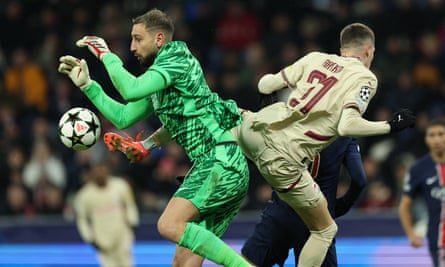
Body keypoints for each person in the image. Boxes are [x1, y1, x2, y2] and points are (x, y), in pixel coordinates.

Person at [96, 22, 416, 267]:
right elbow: (347, 126)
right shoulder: (365, 78)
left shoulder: (317, 58)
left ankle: (202, 173)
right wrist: (390, 126)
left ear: (342, 46)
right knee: (325, 230)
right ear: (369, 52)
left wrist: (149, 143)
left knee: (219, 112)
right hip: (285, 164)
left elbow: (265, 83)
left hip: (254, 128)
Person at [58, 8, 252, 267]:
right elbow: (125, 116)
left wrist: (105, 54)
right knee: (182, 263)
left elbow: (130, 88)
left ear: (159, 39)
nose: (132, 46)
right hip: (217, 166)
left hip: (220, 161)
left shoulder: (176, 58)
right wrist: (88, 86)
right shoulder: (161, 77)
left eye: (138, 39)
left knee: (168, 224)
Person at [241, 136, 366, 267]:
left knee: (248, 263)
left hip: (281, 211)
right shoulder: (343, 135)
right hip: (317, 221)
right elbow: (359, 180)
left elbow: (252, 154)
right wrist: (339, 207)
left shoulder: (289, 122)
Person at [75, 160, 139, 267]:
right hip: (102, 240)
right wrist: (89, 238)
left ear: (108, 171)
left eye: (103, 170)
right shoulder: (84, 195)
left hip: (122, 235)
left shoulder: (120, 186)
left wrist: (133, 222)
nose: (101, 174)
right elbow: (82, 219)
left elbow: (129, 205)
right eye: (97, 171)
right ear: (92, 174)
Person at [399, 118, 445, 267]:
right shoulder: (418, 169)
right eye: (432, 135)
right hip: (438, 241)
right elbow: (405, 205)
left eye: (440, 134)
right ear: (426, 139)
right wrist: (411, 234)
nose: (436, 139)